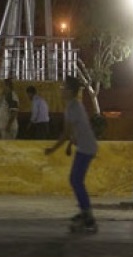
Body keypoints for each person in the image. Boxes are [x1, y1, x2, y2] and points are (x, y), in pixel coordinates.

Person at [45, 76, 98, 232]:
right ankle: (85, 211)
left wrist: (52, 149)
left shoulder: (73, 108)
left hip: (86, 147)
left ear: (70, 91)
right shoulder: (74, 106)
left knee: (75, 180)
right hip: (85, 146)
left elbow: (66, 133)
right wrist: (70, 144)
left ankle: (88, 215)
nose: (62, 90)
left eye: (64, 88)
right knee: (76, 180)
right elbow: (77, 129)